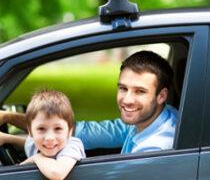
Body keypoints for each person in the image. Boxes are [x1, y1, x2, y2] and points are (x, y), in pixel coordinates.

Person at [0, 51, 177, 154]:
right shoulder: (152, 118)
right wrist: (9, 120)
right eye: (123, 88)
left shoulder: (154, 149)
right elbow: (79, 133)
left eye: (140, 91)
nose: (127, 100)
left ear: (161, 96)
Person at [0, 90, 85, 180]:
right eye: (41, 129)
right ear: (30, 131)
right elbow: (28, 143)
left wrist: (36, 158)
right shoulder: (34, 144)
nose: (49, 138)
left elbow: (57, 174)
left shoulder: (73, 145)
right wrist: (6, 139)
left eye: (58, 129)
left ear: (69, 132)